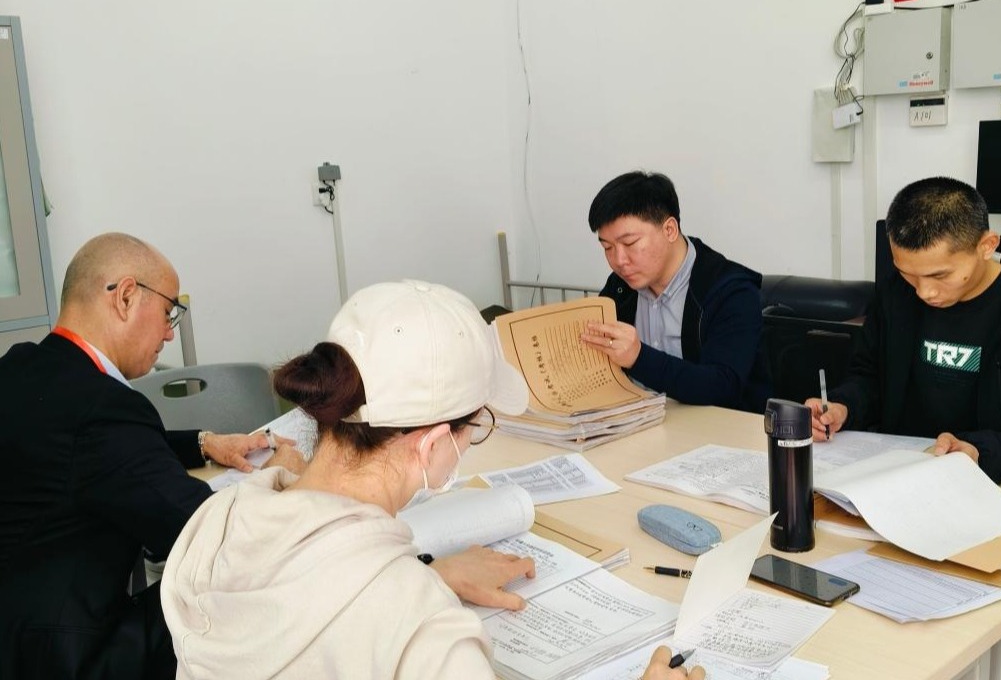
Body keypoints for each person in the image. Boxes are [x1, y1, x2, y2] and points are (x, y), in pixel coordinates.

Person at [161, 279, 703, 680]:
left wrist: (428, 574)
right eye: (476, 428)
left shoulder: (216, 521)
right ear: (432, 444)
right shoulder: (424, 629)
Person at [0, 232, 294, 679]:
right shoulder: (104, 408)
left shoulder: (22, 367)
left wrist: (203, 442)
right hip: (68, 657)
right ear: (125, 297)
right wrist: (277, 478)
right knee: (242, 586)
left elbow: (92, 449)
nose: (169, 333)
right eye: (167, 311)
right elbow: (205, 532)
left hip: (16, 632)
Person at [805, 177, 1001, 483]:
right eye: (908, 274)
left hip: (994, 482)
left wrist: (981, 452)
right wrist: (843, 406)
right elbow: (869, 376)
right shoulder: (897, 293)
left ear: (986, 246)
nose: (924, 292)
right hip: (900, 473)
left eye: (940, 276)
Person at [581, 170, 771, 413]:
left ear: (669, 229)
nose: (619, 260)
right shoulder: (621, 287)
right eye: (607, 247)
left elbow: (723, 386)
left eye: (629, 243)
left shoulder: (732, 291)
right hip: (644, 423)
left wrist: (639, 358)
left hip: (718, 427)